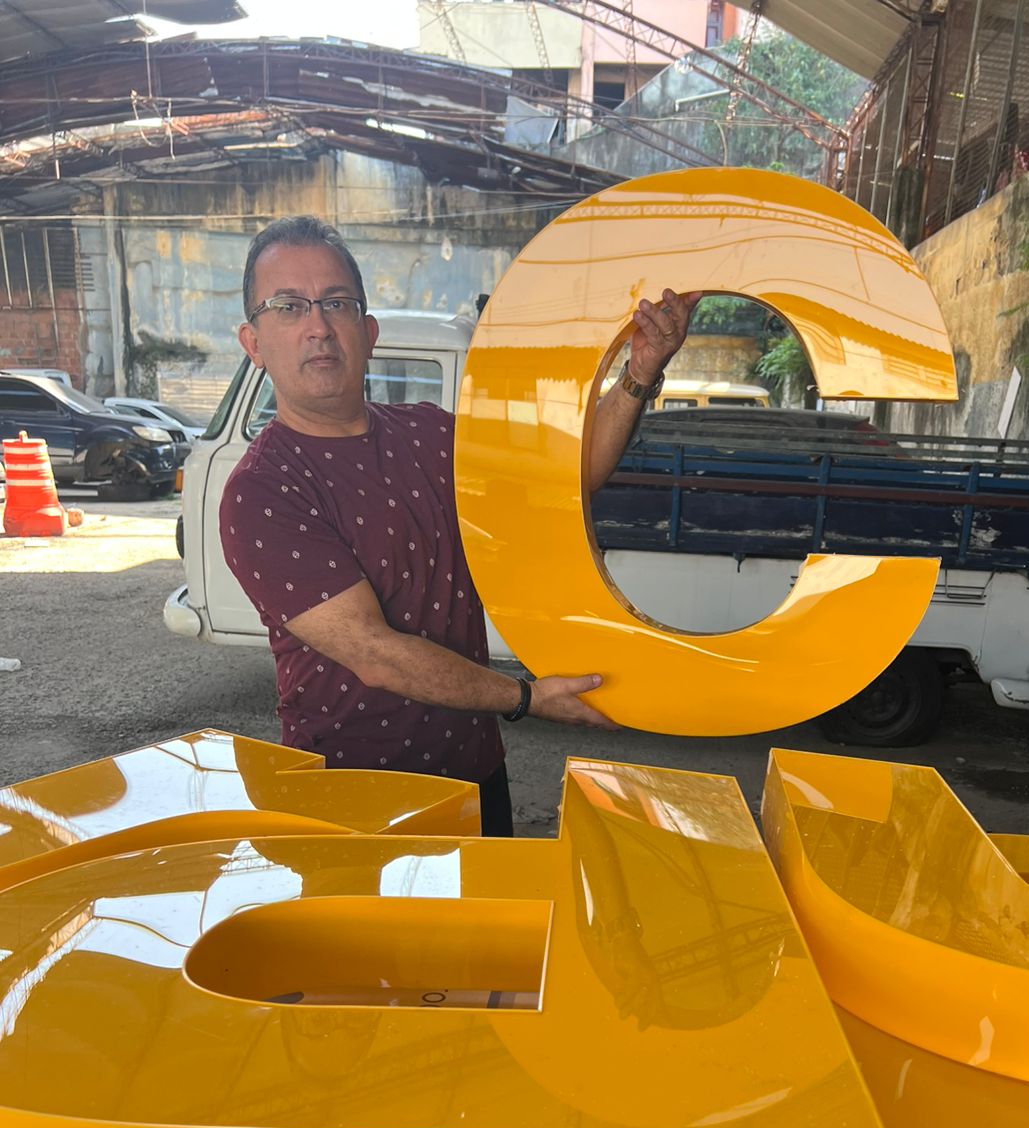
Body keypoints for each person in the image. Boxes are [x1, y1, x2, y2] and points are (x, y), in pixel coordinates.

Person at [220, 214, 698, 836]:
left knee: (486, 904)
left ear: (368, 332)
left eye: (336, 303)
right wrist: (528, 698)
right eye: (288, 306)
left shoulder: (432, 434)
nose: (318, 326)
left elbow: (572, 473)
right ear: (253, 343)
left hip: (475, 774)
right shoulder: (263, 491)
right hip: (353, 798)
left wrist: (639, 371)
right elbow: (376, 655)